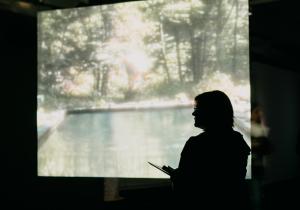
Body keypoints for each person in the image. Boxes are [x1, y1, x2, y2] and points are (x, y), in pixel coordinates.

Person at [168, 90, 251, 209]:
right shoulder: (238, 141)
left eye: (197, 109)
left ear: (211, 113)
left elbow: (184, 188)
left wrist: (176, 177)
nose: (193, 114)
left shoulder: (195, 144)